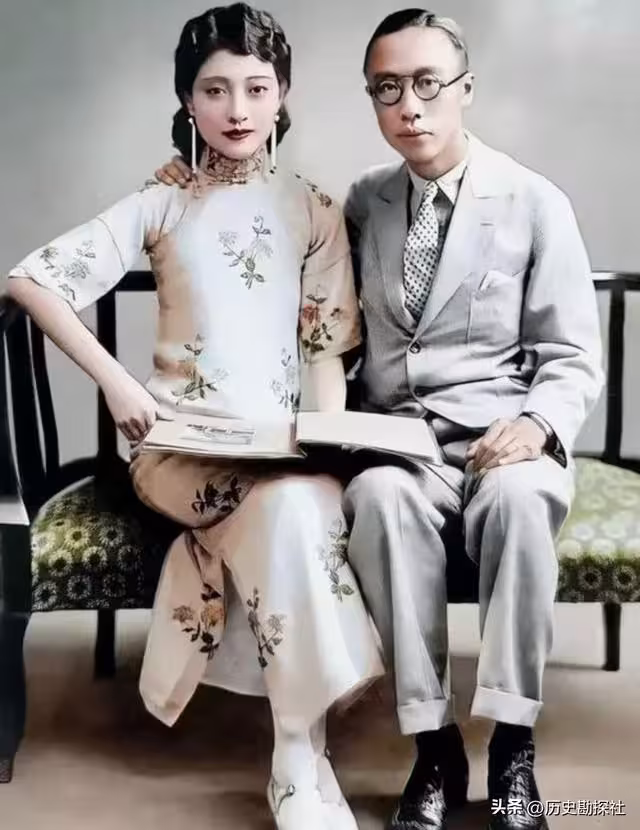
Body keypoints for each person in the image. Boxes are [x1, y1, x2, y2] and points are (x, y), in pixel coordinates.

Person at [153, 8, 604, 830]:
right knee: (380, 503)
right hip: (400, 447)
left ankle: (513, 747)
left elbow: (572, 353)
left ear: (466, 88)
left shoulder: (534, 202)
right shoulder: (364, 201)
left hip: (504, 440)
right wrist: (196, 186)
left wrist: (539, 425)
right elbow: (285, 255)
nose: (410, 107)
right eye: (387, 89)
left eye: (428, 84)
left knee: (522, 500)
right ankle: (434, 748)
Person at [4, 5, 386, 829]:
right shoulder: (164, 202)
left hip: (277, 455)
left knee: (299, 504)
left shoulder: (313, 210)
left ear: (283, 95)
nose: (237, 110)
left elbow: (324, 349)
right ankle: (300, 765)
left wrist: (324, 441)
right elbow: (29, 279)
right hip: (176, 453)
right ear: (187, 99)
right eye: (215, 90)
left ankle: (297, 753)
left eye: (256, 88)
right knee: (289, 510)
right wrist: (117, 384)